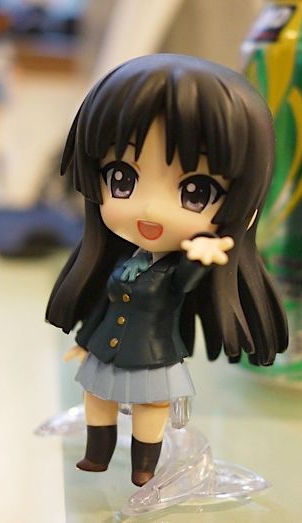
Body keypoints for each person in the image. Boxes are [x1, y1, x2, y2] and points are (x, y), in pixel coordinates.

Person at [46, 54, 288, 486]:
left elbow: (181, 284)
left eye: (195, 191)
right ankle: (97, 455)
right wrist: (84, 341)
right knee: (96, 399)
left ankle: (144, 468)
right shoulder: (123, 261)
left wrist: (199, 259)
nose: (151, 209)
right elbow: (106, 303)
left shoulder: (172, 270)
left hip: (152, 358)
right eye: (122, 179)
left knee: (150, 409)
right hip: (108, 350)